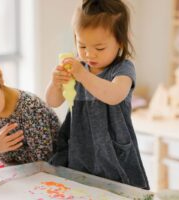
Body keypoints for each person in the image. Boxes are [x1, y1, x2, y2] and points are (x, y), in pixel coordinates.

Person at [45, 0, 149, 189]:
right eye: (82, 45)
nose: (89, 54)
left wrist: (83, 75)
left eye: (99, 48)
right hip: (80, 147)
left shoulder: (123, 69)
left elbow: (114, 95)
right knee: (81, 189)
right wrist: (55, 83)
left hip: (112, 149)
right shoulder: (77, 66)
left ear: (120, 41)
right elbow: (53, 101)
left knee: (118, 190)